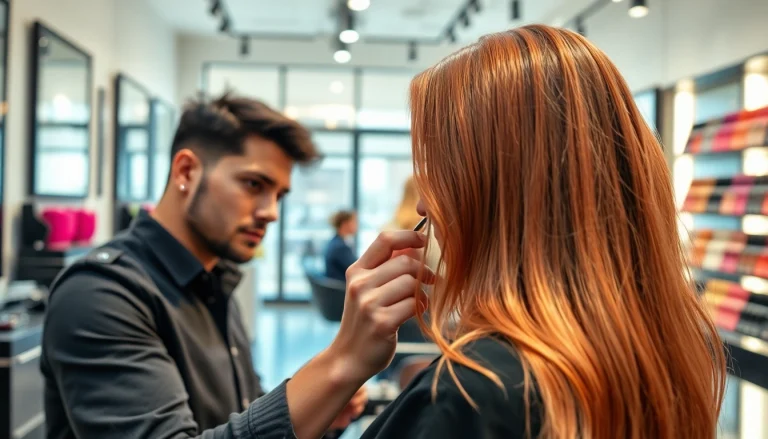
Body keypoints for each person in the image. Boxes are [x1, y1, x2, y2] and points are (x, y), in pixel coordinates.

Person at [361, 25, 726, 439]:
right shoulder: (661, 362)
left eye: (442, 174)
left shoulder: (475, 393)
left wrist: (340, 368)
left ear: (501, 190)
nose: (425, 206)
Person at [40, 93, 434, 439]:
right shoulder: (100, 294)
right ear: (186, 171)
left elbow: (240, 415)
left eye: (279, 194)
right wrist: (340, 362)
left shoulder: (216, 280)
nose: (271, 212)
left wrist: (323, 413)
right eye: (253, 185)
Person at [324, 210, 358, 282]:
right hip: (341, 289)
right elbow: (357, 269)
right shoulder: (340, 248)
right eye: (354, 222)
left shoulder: (335, 242)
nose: (356, 225)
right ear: (345, 224)